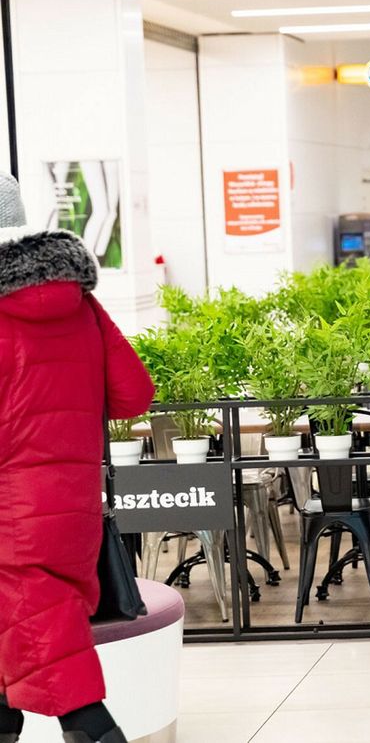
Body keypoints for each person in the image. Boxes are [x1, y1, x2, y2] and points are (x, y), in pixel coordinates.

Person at [0, 174, 156, 743]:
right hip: (72, 510)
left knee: (56, 656)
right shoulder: (81, 303)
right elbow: (134, 393)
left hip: (10, 518)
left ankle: (96, 728)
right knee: (20, 636)